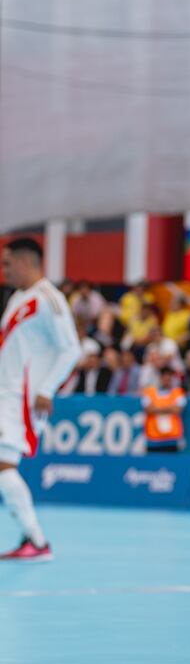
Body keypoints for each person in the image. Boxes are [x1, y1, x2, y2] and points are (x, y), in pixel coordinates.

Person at [0, 237, 82, 561]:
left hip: (21, 399)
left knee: (4, 466)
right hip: (6, 393)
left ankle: (37, 541)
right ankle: (30, 538)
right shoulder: (18, 297)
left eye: (7, 264)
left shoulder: (49, 298)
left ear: (25, 261)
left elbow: (71, 348)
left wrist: (47, 389)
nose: (4, 270)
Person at [141, 367, 187, 452]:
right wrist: (170, 407)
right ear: (160, 378)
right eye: (165, 378)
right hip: (153, 439)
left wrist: (157, 408)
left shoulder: (177, 392)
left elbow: (177, 409)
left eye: (169, 378)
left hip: (172, 439)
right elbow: (148, 409)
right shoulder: (150, 392)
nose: (167, 381)